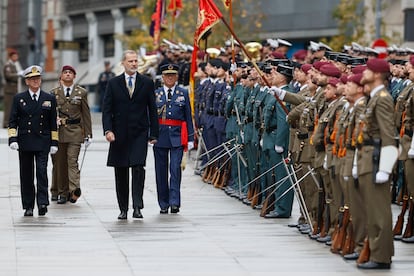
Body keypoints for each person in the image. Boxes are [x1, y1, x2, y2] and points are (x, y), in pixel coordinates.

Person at [102, 50, 159, 220]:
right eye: (131, 61)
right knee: (120, 171)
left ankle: (137, 206)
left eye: (136, 61)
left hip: (139, 133)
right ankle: (123, 208)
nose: (134, 64)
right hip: (119, 134)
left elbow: (152, 110)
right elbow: (107, 110)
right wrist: (108, 130)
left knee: (138, 168)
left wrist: (153, 133)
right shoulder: (113, 83)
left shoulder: (147, 83)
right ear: (123, 63)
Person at [355, 58, 398, 269]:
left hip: (376, 160)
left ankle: (381, 257)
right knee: (371, 211)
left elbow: (389, 135)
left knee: (379, 212)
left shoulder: (382, 98)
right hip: (367, 158)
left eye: (368, 70)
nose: (364, 73)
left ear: (378, 75)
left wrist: (385, 167)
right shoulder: (373, 98)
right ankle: (375, 252)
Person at [8, 65, 58, 217]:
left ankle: (42, 203)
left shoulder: (48, 98)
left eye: (38, 78)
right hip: (25, 141)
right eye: (32, 79)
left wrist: (54, 142)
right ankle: (28, 205)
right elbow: (12, 121)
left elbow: (52, 123)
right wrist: (12, 138)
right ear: (27, 82)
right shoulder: (19, 98)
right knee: (26, 174)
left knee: (42, 172)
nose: (36, 81)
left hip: (43, 141)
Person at [153, 64, 195, 214]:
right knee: (161, 171)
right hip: (160, 136)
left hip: (177, 137)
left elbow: (188, 117)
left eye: (172, 75)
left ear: (177, 77)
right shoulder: (156, 93)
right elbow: (150, 116)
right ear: (162, 77)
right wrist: (150, 135)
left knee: (175, 169)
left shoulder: (182, 93)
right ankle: (163, 203)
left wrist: (191, 138)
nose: (170, 78)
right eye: (167, 75)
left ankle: (174, 202)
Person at [50, 65, 92, 204]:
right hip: (60, 132)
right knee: (60, 163)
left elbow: (86, 114)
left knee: (72, 161)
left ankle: (74, 190)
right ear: (61, 76)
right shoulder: (53, 93)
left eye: (70, 73)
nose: (68, 74)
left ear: (74, 76)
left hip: (75, 131)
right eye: (65, 72)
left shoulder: (82, 92)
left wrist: (88, 134)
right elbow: (48, 113)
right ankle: (62, 193)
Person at [3, 50, 23, 128]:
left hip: (15, 89)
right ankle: (6, 123)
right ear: (11, 57)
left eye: (16, 56)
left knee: (15, 107)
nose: (16, 57)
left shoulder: (15, 65)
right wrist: (17, 74)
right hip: (9, 90)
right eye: (14, 56)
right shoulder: (8, 65)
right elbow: (8, 76)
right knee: (8, 107)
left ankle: (12, 122)